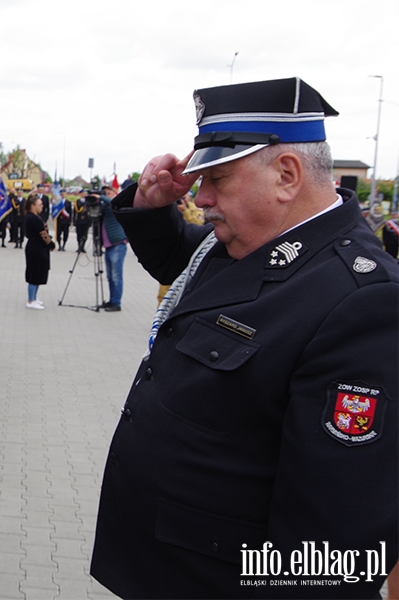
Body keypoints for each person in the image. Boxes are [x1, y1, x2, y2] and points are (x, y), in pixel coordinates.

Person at [90, 77, 398, 598]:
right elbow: (188, 270)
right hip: (164, 568)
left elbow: (332, 536)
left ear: (286, 174)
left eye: (218, 179)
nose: (200, 198)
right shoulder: (247, 242)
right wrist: (149, 206)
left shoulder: (363, 299)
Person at [98, 185, 127, 312]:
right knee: (110, 276)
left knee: (116, 276)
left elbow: (113, 203)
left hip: (118, 244)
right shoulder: (104, 207)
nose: (107, 195)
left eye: (109, 193)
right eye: (105, 193)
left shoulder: (117, 203)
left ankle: (117, 302)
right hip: (108, 245)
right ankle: (111, 300)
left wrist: (101, 197)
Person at [24, 193, 53, 309]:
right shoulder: (32, 218)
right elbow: (42, 234)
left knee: (39, 272)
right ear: (32, 206)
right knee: (34, 274)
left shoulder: (36, 217)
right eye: (39, 205)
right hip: (35, 248)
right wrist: (50, 244)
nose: (42, 206)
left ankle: (34, 297)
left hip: (39, 248)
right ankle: (31, 300)